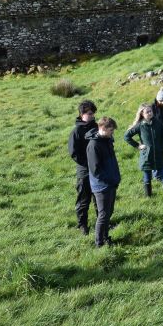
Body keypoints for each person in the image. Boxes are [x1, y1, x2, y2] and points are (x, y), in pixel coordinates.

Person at [124, 103, 163, 200]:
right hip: (146, 156)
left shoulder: (159, 123)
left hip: (159, 156)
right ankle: (149, 198)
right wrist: (138, 145)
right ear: (142, 114)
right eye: (147, 112)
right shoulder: (139, 126)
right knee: (147, 178)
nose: (150, 113)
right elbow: (126, 136)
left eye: (151, 111)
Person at [86, 117, 121, 247]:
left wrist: (115, 177)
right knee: (103, 215)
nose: (113, 133)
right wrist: (110, 180)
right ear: (102, 128)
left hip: (111, 183)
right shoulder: (93, 145)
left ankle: (106, 238)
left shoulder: (107, 140)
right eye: (111, 130)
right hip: (101, 186)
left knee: (109, 213)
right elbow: (95, 170)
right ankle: (99, 243)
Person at [67, 100, 98, 235]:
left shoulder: (97, 127)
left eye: (93, 113)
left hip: (98, 170)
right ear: (82, 114)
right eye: (89, 113)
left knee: (99, 198)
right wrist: (88, 163)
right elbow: (74, 153)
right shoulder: (76, 131)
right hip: (84, 171)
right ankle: (82, 225)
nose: (92, 116)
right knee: (83, 199)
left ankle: (102, 222)